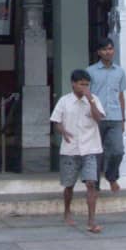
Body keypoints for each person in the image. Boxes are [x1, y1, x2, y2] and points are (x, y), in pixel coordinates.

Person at [50, 69, 105, 233]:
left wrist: (91, 101)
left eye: (87, 85)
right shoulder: (64, 101)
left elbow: (99, 118)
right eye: (81, 84)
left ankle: (91, 220)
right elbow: (56, 121)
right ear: (73, 84)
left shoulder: (94, 99)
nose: (84, 88)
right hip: (70, 149)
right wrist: (63, 132)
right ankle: (67, 211)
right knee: (69, 185)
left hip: (90, 148)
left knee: (91, 184)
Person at [87, 37, 126, 193]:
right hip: (97, 118)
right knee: (97, 153)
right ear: (99, 52)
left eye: (110, 49)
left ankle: (111, 176)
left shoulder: (120, 71)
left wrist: (123, 119)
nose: (108, 52)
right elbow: (87, 95)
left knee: (118, 150)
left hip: (116, 117)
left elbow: (121, 96)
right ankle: (95, 186)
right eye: (104, 49)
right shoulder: (90, 71)